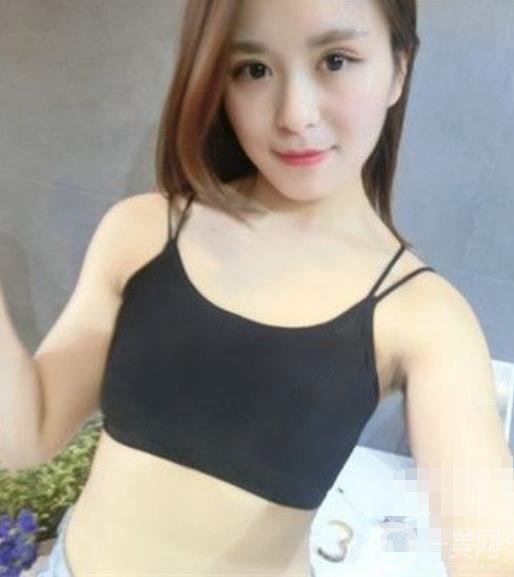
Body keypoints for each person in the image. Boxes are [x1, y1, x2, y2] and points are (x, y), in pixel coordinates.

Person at [1, 1, 513, 576]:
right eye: (254, 69)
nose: (294, 115)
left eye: (336, 60)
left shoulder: (423, 317)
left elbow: (489, 548)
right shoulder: (142, 232)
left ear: (399, 67)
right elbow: (27, 436)